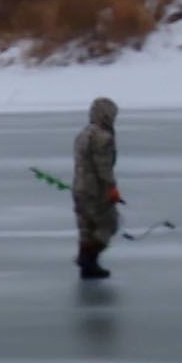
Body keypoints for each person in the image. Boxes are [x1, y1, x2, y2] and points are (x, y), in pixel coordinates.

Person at [72, 97, 124, 280]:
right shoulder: (103, 137)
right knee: (108, 224)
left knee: (86, 226)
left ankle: (87, 266)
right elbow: (104, 168)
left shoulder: (83, 134)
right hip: (95, 190)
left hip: (79, 187)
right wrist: (111, 189)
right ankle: (88, 259)